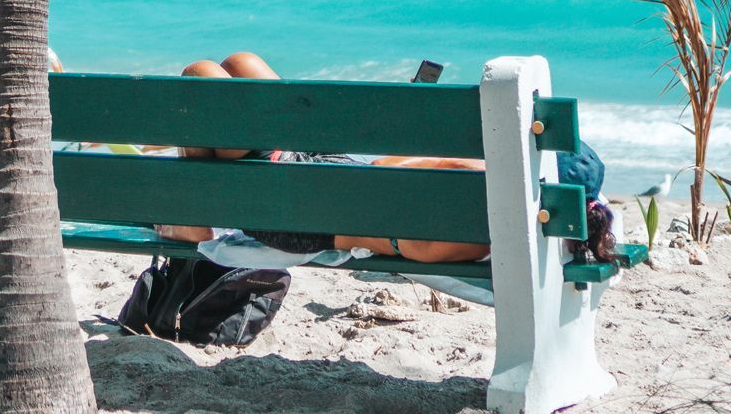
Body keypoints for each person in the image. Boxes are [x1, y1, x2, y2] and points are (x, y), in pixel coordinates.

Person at [155, 52, 617, 265]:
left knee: (202, 78)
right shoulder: (477, 213)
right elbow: (391, 174)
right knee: (241, 63)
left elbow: (440, 175)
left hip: (290, 205)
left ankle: (195, 212)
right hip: (317, 171)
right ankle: (198, 204)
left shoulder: (474, 217)